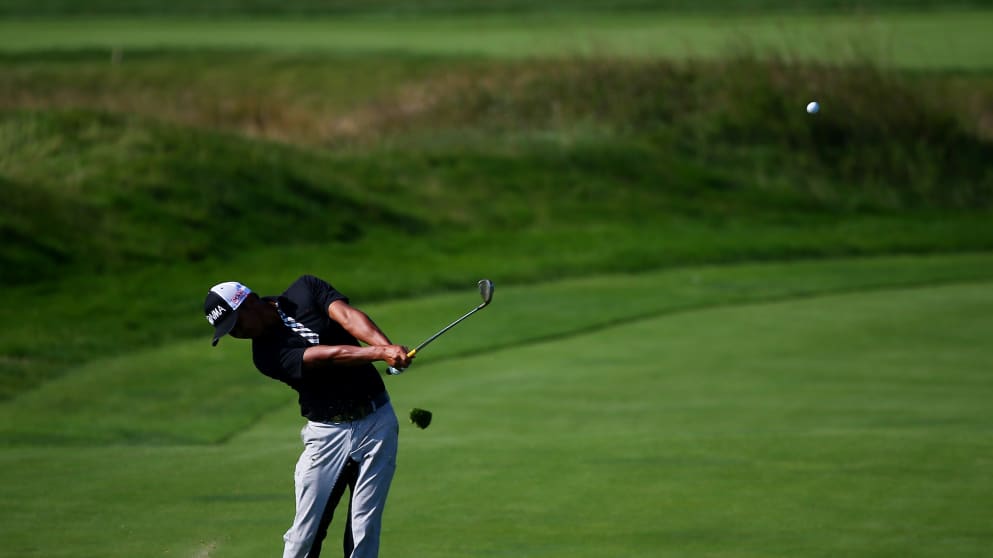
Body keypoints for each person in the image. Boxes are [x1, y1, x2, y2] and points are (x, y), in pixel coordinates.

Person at [203, 275, 413, 558]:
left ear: (250, 302)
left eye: (236, 323)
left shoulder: (305, 290)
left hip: (378, 422)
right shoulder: (266, 356)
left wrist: (388, 348)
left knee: (364, 530)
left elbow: (348, 317)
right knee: (303, 537)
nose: (236, 333)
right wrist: (379, 353)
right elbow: (328, 356)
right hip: (329, 434)